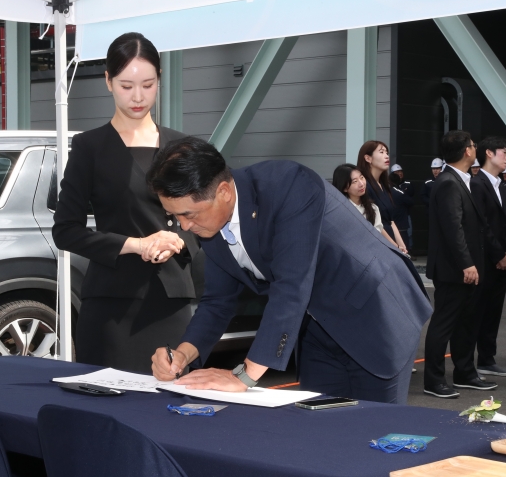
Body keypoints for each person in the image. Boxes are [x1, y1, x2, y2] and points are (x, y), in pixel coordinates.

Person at [148, 138, 432, 404]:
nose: (184, 227)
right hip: (316, 328)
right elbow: (218, 300)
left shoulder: (288, 183)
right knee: (321, 437)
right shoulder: (209, 223)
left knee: (376, 439)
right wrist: (182, 354)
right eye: (174, 216)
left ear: (222, 192)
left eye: (189, 215)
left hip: (375, 313)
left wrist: (243, 376)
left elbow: (291, 285)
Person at [52, 32, 199, 373]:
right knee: (105, 408)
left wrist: (178, 238)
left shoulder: (182, 146)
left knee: (170, 410)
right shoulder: (90, 147)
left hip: (170, 301)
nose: (137, 97)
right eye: (126, 86)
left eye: (147, 85)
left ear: (159, 81)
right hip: (110, 304)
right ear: (107, 81)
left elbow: (206, 218)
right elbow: (66, 231)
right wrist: (134, 245)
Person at [423, 131, 497, 398]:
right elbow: (453, 228)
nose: (474, 149)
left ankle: (465, 373)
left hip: (467, 267)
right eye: (473, 146)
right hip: (453, 269)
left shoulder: (460, 179)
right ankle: (433, 381)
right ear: (467, 151)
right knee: (444, 324)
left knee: (466, 323)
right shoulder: (448, 182)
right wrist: (467, 263)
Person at [470, 137, 506, 378]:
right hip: (485, 260)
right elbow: (482, 225)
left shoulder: (501, 185)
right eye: (504, 153)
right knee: (479, 311)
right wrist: (499, 254)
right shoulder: (477, 184)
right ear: (489, 153)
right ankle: (474, 360)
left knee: (494, 312)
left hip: (501, 260)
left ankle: (488, 358)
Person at [357, 141, 409, 254]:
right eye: (381, 152)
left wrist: (401, 244)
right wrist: (395, 246)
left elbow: (391, 221)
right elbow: (375, 223)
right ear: (368, 158)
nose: (386, 156)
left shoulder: (384, 185)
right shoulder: (364, 185)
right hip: (377, 243)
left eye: (387, 152)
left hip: (390, 241)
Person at [332, 164, 399, 247]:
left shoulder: (373, 207)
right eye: (355, 181)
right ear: (344, 187)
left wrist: (397, 247)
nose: (361, 184)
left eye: (362, 177)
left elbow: (379, 230)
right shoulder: (340, 210)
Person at [389, 164, 415, 249]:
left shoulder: (407, 184)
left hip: (402, 215)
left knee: (407, 234)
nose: (399, 174)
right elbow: (409, 200)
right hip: (398, 218)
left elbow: (411, 196)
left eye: (400, 171)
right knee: (402, 237)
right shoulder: (395, 191)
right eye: (396, 172)